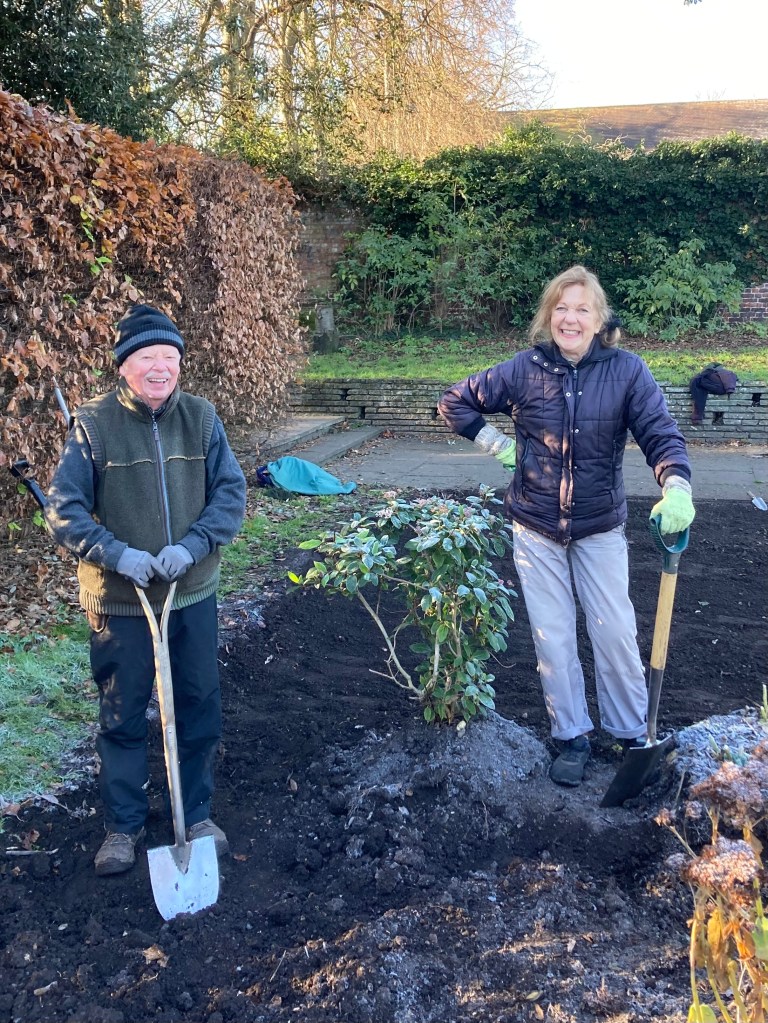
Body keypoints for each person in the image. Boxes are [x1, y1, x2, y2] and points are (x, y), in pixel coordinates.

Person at [438, 265, 695, 787]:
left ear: (599, 319)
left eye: (581, 309)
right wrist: (498, 445)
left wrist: (678, 487)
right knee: (553, 636)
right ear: (548, 316)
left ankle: (630, 734)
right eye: (561, 307)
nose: (570, 318)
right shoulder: (523, 369)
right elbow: (455, 401)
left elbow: (661, 435)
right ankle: (571, 735)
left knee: (616, 630)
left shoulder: (628, 372)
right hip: (535, 525)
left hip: (599, 525)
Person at [45, 304, 247, 874]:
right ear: (124, 366)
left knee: (199, 703)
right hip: (121, 599)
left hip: (190, 592)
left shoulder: (202, 419)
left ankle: (197, 812)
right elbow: (64, 510)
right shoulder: (93, 424)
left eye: (169, 357)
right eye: (146, 357)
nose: (160, 368)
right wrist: (117, 554)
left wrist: (194, 546)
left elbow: (230, 494)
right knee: (123, 711)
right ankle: (123, 826)